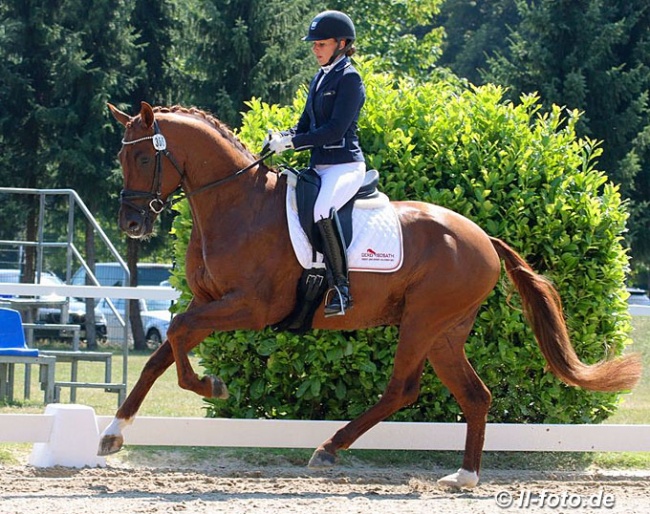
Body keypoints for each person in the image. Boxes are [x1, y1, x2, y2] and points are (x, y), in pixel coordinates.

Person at [264, 10, 366, 318]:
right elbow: (305, 125)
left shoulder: (350, 79)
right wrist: (281, 137)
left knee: (322, 210)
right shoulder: (320, 78)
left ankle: (341, 288)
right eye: (315, 44)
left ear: (342, 43)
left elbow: (334, 129)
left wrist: (294, 143)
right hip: (319, 168)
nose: (315, 49)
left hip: (345, 166)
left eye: (321, 43)